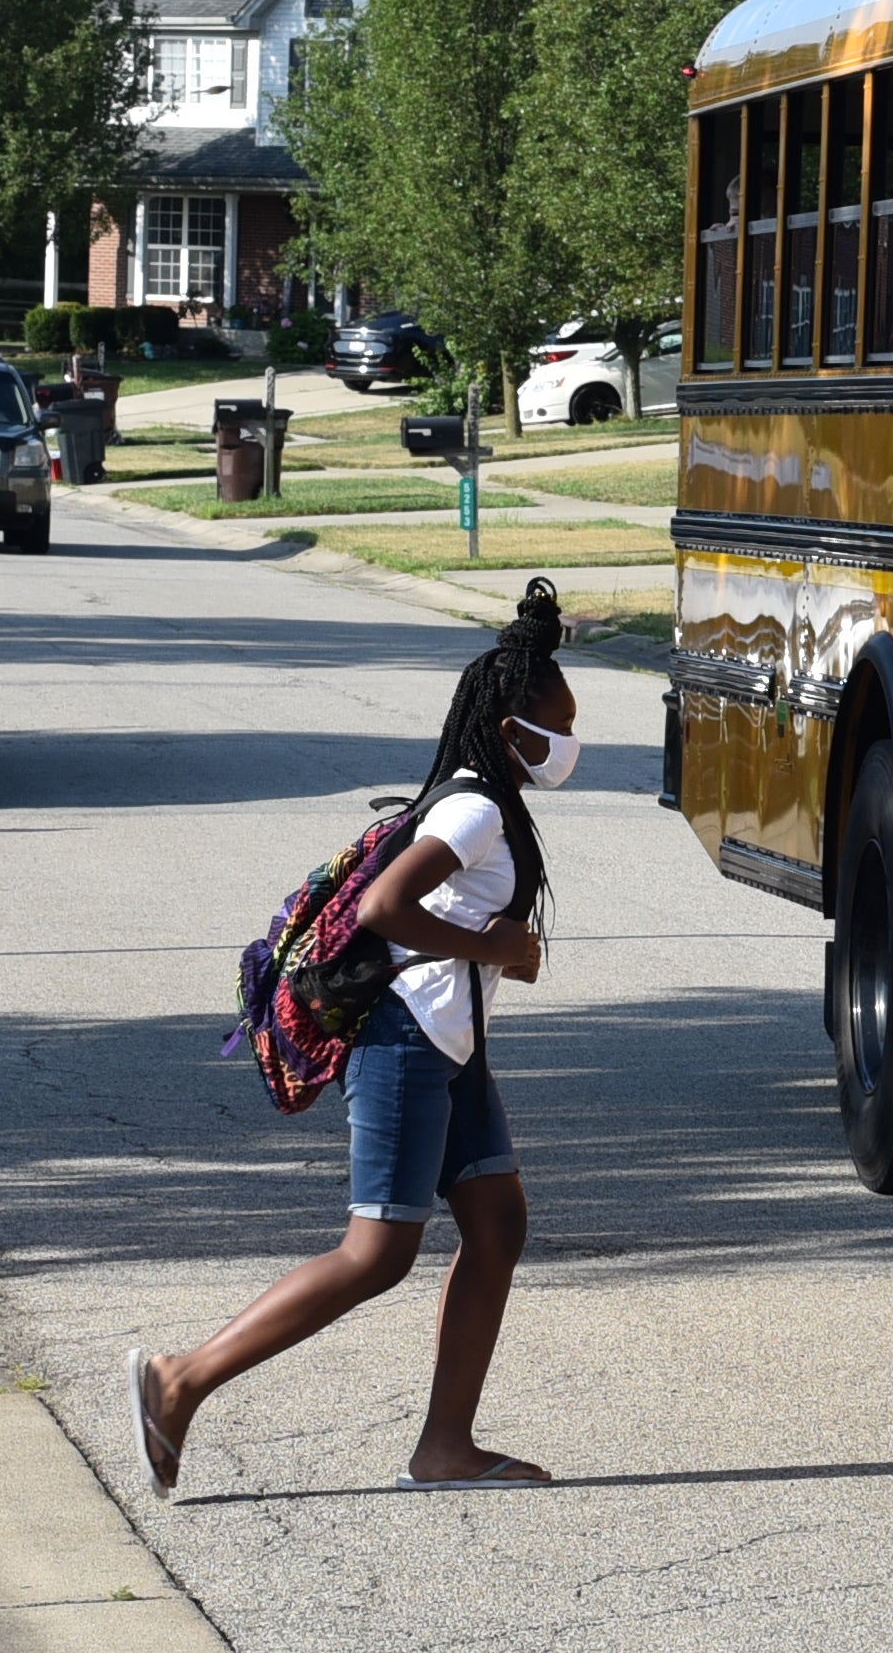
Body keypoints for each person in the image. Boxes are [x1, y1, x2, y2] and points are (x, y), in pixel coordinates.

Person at [135, 582, 588, 1497]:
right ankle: (180, 1381)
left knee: (496, 1225)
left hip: (449, 1046)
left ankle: (445, 1449)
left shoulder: (485, 798)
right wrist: (498, 945)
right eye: (557, 726)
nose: (569, 744)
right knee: (374, 1254)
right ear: (508, 731)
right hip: (405, 1040)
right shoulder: (475, 810)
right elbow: (386, 910)